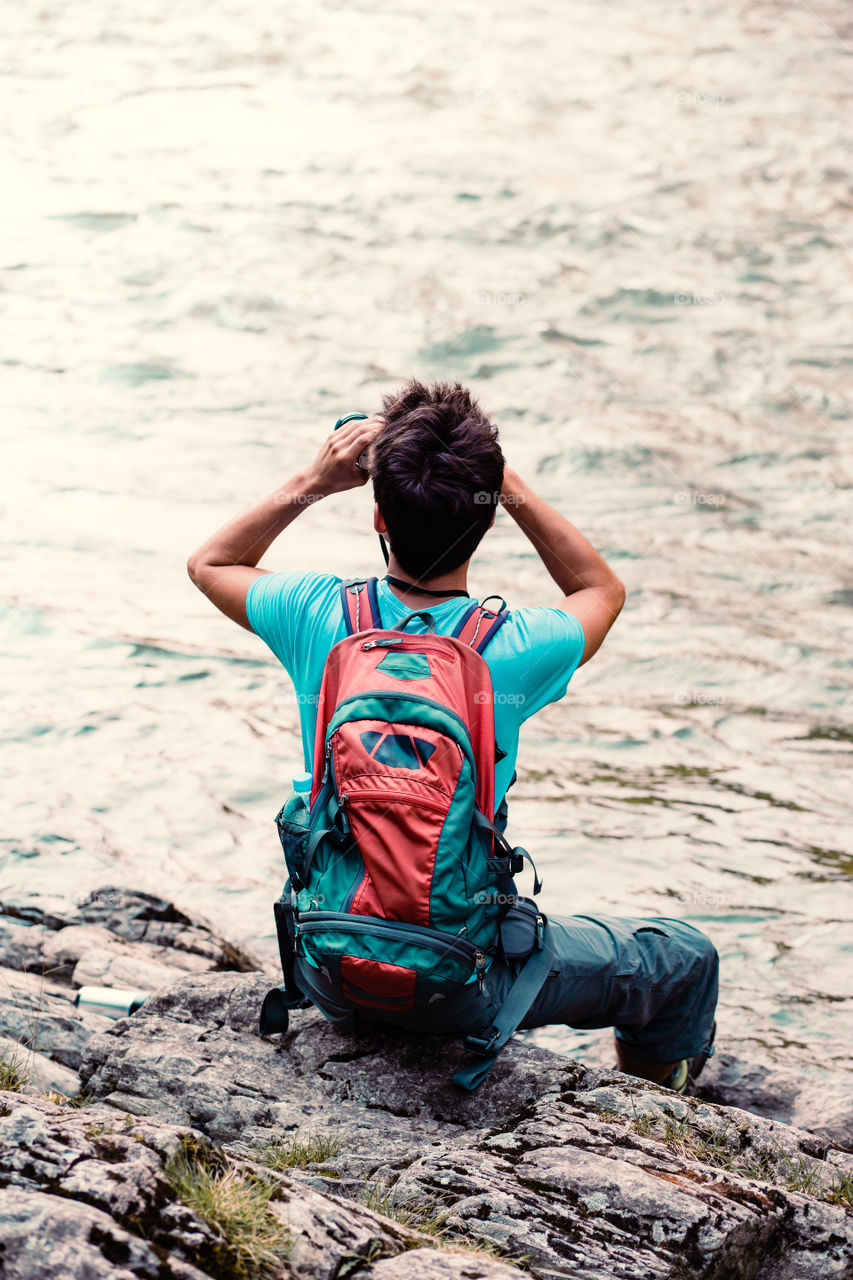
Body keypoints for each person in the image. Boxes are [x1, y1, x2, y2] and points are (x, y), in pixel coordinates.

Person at [187, 379, 718, 1090]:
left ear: (377, 513)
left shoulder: (315, 613)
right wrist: (509, 488)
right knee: (682, 958)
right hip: (459, 984)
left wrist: (312, 481)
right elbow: (600, 591)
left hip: (328, 969)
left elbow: (210, 563)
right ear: (488, 517)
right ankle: (659, 1120)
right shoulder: (518, 644)